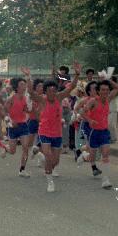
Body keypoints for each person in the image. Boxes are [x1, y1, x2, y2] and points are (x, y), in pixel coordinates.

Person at [32, 64, 79, 192]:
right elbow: (31, 92)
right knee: (48, 155)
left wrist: (77, 74)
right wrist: (27, 77)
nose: (52, 93)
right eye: (50, 90)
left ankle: (46, 165)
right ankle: (50, 182)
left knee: (55, 161)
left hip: (57, 133)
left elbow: (72, 87)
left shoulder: (59, 97)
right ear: (46, 91)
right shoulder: (42, 99)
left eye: (54, 90)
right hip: (45, 131)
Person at [80, 79, 118, 189]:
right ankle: (84, 156)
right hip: (94, 132)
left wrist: (108, 79)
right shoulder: (93, 101)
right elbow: (82, 112)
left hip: (104, 132)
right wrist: (89, 120)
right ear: (98, 91)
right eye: (102, 90)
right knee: (92, 156)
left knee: (105, 154)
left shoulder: (108, 99)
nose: (105, 92)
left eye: (107, 90)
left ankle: (106, 179)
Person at [4, 77, 33, 178]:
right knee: (13, 151)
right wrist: (11, 122)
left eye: (24, 84)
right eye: (21, 84)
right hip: (13, 127)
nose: (24, 86)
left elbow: (27, 110)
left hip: (23, 125)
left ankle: (22, 169)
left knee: (25, 147)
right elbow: (5, 113)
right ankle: (6, 148)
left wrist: (30, 108)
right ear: (16, 86)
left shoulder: (26, 98)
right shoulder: (11, 98)